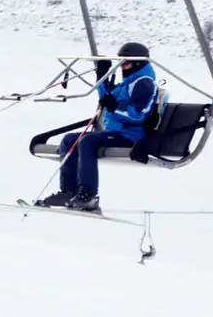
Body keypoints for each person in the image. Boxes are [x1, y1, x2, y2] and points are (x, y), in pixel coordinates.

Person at [35, 41, 157, 213]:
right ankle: (68, 191)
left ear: (138, 63)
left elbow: (138, 116)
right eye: (121, 62)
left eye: (126, 62)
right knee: (70, 139)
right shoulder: (128, 82)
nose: (122, 66)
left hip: (130, 136)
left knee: (87, 142)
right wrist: (102, 76)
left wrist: (114, 107)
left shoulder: (144, 84)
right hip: (114, 132)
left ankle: (88, 195)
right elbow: (106, 98)